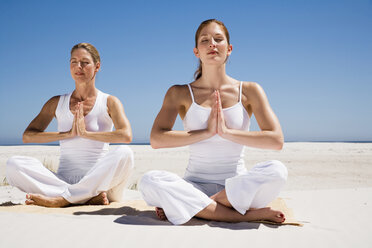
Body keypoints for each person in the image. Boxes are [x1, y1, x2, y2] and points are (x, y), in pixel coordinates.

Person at [139, 19, 288, 225]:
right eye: (205, 40)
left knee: (278, 170)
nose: (212, 44)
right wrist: (206, 133)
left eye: (218, 39)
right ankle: (241, 214)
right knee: (149, 180)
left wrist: (227, 132)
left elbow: (276, 140)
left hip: (236, 188)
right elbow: (156, 139)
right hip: (194, 185)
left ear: (229, 49)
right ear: (196, 52)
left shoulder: (250, 90)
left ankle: (203, 206)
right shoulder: (180, 93)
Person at [6, 43, 134, 207]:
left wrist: (86, 134)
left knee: (125, 153)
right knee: (13, 164)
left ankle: (63, 199)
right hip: (63, 181)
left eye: (85, 62)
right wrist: (67, 134)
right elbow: (28, 135)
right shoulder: (56, 102)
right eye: (73, 61)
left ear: (97, 66)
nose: (78, 66)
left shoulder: (109, 101)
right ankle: (83, 197)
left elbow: (126, 135)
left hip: (102, 182)